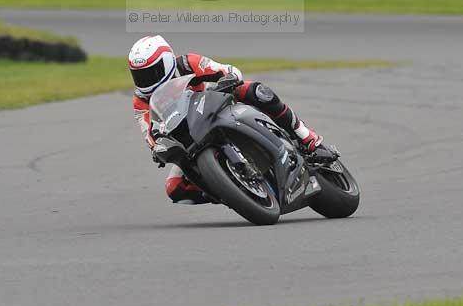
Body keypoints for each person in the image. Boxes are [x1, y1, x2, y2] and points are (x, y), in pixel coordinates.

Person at [129, 34, 334, 205]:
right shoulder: (141, 100)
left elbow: (226, 70)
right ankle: (232, 191)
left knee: (257, 91)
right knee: (175, 189)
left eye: (150, 73)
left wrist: (227, 78)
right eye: (140, 75)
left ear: (166, 62)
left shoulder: (187, 63)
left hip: (215, 107)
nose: (146, 80)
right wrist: (157, 147)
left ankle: (307, 137)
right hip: (189, 140)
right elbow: (148, 133)